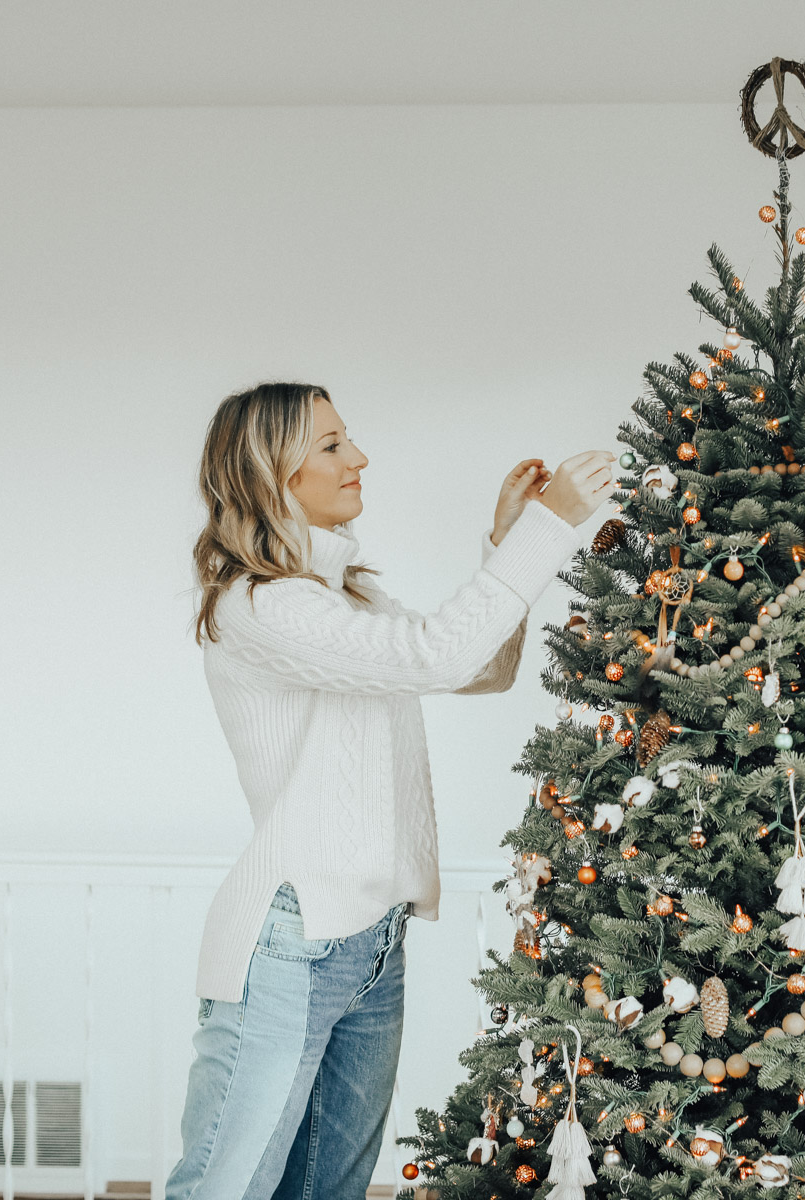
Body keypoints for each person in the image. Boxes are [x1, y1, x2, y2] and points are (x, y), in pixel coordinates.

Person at [168, 381, 613, 1199]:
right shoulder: (263, 606)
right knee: (223, 1188)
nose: (358, 458)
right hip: (293, 942)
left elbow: (481, 667)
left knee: (326, 1188)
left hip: (371, 942)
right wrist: (549, 527)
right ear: (271, 470)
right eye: (331, 444)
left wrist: (505, 543)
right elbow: (434, 657)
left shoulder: (350, 597)